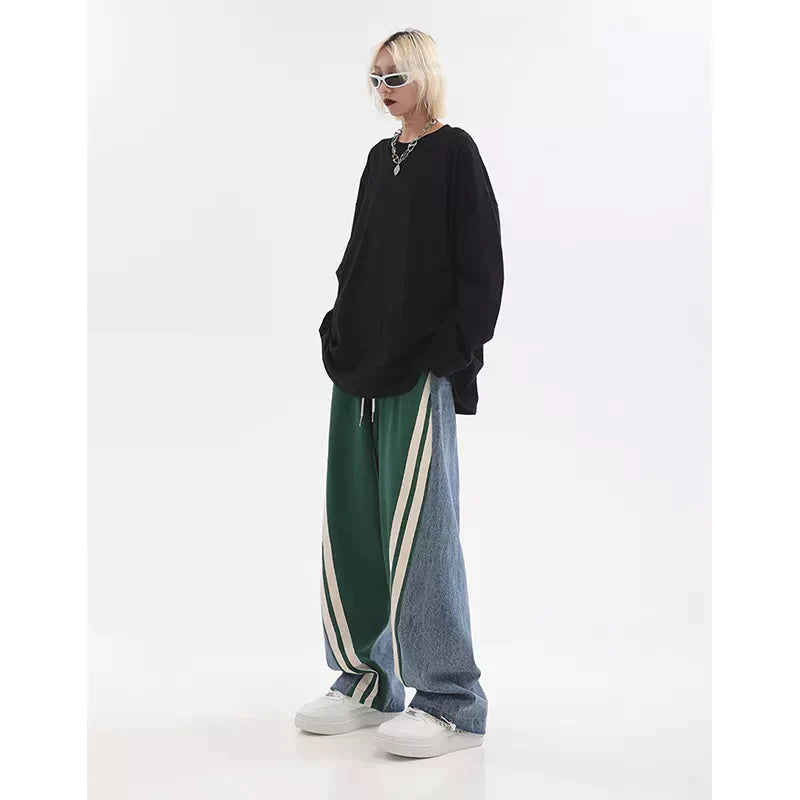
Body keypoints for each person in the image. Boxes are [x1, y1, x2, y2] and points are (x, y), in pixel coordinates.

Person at [294, 27, 504, 759]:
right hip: (357, 364)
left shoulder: (455, 152)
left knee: (421, 529)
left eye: (396, 76)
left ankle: (450, 701)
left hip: (419, 368)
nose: (384, 89)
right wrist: (336, 327)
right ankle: (365, 680)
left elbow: (482, 265)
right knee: (353, 520)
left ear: (424, 75)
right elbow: (360, 254)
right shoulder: (378, 159)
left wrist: (450, 352)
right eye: (376, 77)